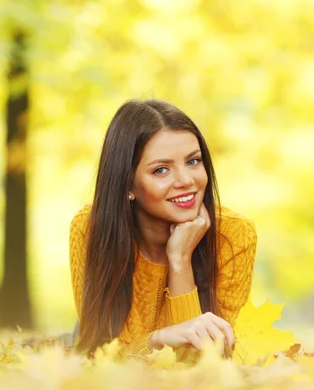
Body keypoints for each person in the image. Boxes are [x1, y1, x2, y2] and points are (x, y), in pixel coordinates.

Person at [68, 99, 257, 356]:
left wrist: (180, 259)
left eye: (193, 161)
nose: (186, 180)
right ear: (128, 186)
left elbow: (203, 361)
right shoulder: (91, 230)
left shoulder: (234, 236)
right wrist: (157, 340)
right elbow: (98, 352)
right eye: (161, 170)